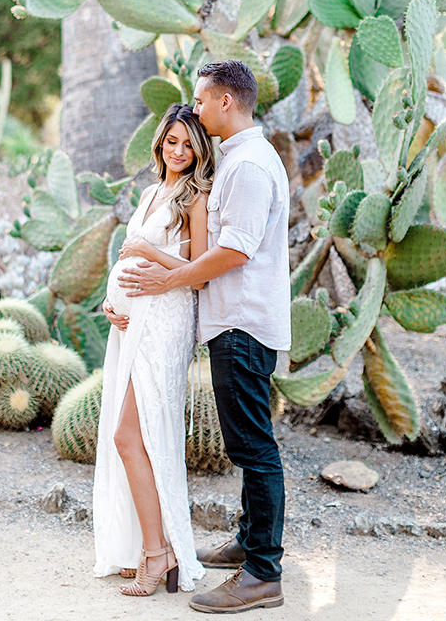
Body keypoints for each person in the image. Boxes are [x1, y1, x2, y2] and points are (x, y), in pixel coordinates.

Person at [117, 60, 291, 614]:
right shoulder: (238, 161)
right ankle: (248, 543)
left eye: (198, 100)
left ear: (223, 102)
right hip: (228, 320)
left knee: (252, 446)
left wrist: (167, 278)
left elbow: (233, 251)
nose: (192, 109)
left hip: (241, 321)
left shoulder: (248, 169)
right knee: (248, 441)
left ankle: (263, 572)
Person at [93, 103, 214, 597]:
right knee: (128, 437)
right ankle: (144, 545)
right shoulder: (149, 193)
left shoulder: (195, 198)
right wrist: (110, 299)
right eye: (172, 142)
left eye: (188, 144)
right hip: (131, 321)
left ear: (199, 149)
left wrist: (145, 254)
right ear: (160, 143)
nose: (179, 151)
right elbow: (125, 257)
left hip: (166, 322)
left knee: (131, 435)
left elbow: (202, 265)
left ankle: (159, 552)